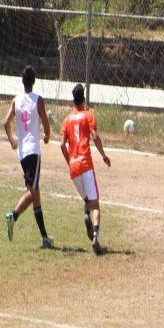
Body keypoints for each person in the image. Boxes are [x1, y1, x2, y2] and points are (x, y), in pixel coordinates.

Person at [2, 66, 52, 248]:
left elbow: (5, 123)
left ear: (22, 82)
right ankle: (13, 215)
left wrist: (12, 140)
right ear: (34, 81)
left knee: (35, 195)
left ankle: (45, 238)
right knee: (33, 193)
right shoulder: (38, 100)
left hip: (22, 154)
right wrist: (47, 136)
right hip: (33, 152)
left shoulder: (16, 101)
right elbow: (45, 122)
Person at [60, 84, 111, 255]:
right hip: (86, 164)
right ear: (84, 99)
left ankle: (86, 214)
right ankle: (95, 237)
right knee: (95, 204)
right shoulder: (88, 115)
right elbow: (95, 137)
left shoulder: (67, 120)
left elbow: (62, 144)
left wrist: (70, 161)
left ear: (73, 101)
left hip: (74, 167)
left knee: (87, 200)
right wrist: (103, 155)